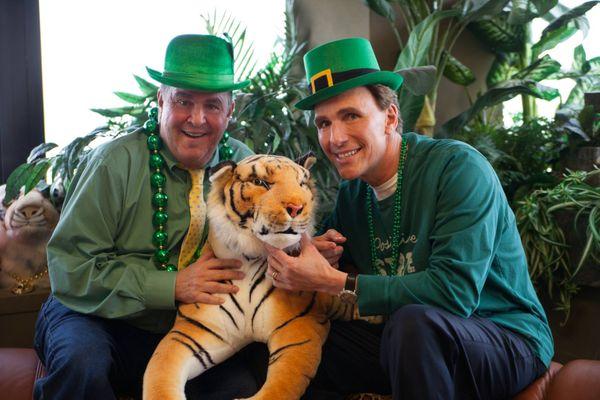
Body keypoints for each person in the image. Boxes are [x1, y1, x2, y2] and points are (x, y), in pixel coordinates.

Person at [265, 37, 554, 400]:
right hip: (408, 346)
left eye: (350, 116)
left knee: (413, 324)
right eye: (323, 123)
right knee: (293, 335)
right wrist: (318, 254)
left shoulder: (457, 168)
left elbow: (454, 294)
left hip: (504, 337)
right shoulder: (354, 195)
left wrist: (339, 281)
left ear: (390, 116)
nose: (335, 138)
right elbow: (330, 264)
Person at [33, 34, 266, 399]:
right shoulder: (114, 163)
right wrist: (171, 285)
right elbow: (71, 267)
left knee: (239, 387)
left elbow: (264, 245)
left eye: (213, 106)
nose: (197, 118)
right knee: (83, 364)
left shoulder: (246, 167)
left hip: (188, 327)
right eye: (183, 101)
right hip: (91, 314)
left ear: (230, 111)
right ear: (161, 100)